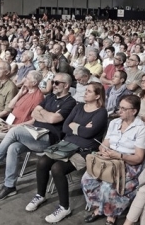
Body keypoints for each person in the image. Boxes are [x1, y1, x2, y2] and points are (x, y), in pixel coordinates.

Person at [0, 73, 76, 202]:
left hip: (48, 138)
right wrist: (45, 115)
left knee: (16, 130)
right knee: (13, 147)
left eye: (57, 83)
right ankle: (9, 186)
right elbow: (36, 112)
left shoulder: (70, 102)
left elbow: (53, 119)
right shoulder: (50, 97)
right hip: (33, 133)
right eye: (53, 82)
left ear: (67, 85)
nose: (53, 85)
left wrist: (44, 114)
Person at [25, 83, 108, 223]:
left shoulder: (101, 112)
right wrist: (80, 128)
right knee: (42, 161)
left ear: (98, 96)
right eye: (86, 90)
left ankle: (64, 207)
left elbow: (90, 133)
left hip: (85, 151)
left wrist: (75, 126)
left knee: (57, 168)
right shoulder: (79, 106)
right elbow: (65, 127)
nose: (85, 93)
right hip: (66, 145)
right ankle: (40, 194)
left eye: (89, 91)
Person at [81, 95, 145, 225]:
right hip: (109, 160)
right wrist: (103, 151)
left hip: (128, 163)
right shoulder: (114, 123)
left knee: (108, 186)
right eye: (119, 108)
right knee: (87, 179)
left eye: (124, 109)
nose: (120, 111)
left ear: (134, 111)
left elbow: (138, 158)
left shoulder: (142, 129)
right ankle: (98, 208)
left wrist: (119, 156)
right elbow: (104, 144)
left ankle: (111, 215)